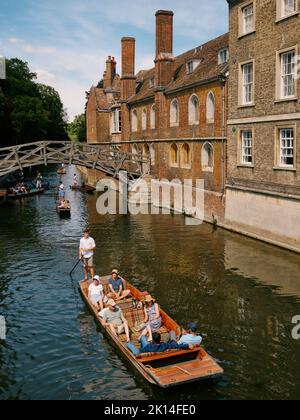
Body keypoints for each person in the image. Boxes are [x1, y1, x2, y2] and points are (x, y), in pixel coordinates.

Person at [126, 328, 192, 357]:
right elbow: (177, 346)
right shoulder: (164, 345)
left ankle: (128, 343)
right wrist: (187, 345)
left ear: (153, 340)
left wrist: (139, 350)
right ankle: (132, 341)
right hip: (156, 349)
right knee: (142, 338)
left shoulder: (148, 347)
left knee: (143, 337)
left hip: (147, 351)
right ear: (160, 339)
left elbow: (140, 351)